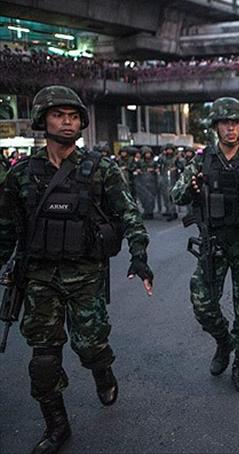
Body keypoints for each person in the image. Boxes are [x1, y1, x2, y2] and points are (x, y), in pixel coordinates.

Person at [0, 85, 153, 454]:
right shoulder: (21, 175)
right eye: (58, 115)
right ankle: (57, 425)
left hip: (86, 277)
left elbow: (128, 214)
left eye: (72, 117)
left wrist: (139, 256)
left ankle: (102, 370)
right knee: (44, 359)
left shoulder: (101, 169)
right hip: (39, 278)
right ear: (43, 120)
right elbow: (6, 228)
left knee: (90, 345)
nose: (66, 122)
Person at [170, 97, 239, 393]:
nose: (231, 128)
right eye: (225, 123)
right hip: (214, 244)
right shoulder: (202, 160)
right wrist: (192, 187)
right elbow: (177, 195)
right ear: (216, 127)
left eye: (235, 123)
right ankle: (224, 342)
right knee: (202, 303)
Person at [133, 146, 158, 219]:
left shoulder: (154, 162)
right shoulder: (140, 162)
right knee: (143, 198)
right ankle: (146, 211)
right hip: (142, 181)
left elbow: (157, 170)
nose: (148, 155)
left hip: (151, 182)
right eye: (146, 153)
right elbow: (135, 168)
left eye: (149, 153)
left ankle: (150, 212)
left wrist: (153, 170)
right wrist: (138, 171)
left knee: (151, 198)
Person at [157, 143, 179, 221]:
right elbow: (159, 164)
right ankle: (168, 210)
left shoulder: (176, 158)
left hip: (173, 178)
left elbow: (180, 166)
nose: (169, 151)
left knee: (171, 196)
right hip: (164, 178)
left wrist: (175, 168)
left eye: (170, 149)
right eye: (168, 149)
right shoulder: (163, 157)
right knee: (165, 196)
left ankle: (173, 212)